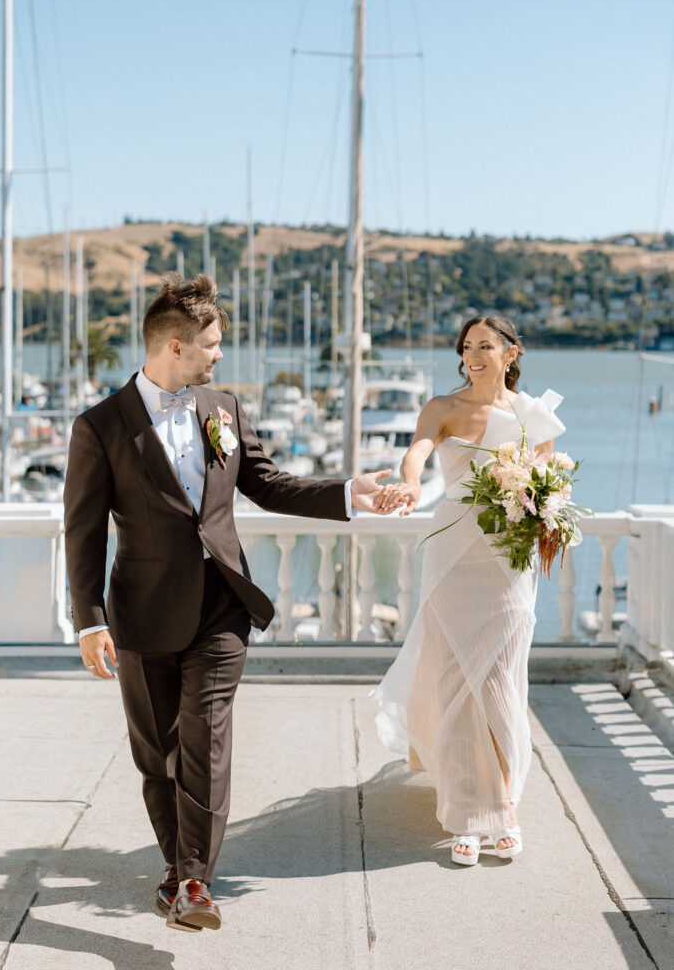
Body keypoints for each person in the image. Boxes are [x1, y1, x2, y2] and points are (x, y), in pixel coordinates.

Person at [64, 272, 400, 932]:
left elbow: (268, 485)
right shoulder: (99, 426)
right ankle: (176, 870)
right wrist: (87, 620)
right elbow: (82, 531)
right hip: (142, 612)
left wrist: (347, 493)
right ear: (174, 347)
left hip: (222, 604)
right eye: (212, 344)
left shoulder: (222, 408)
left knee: (207, 742)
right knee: (157, 756)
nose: (220, 355)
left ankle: (193, 880)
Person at [372, 316, 566, 865]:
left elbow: (545, 484)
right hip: (453, 553)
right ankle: (465, 814)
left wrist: (547, 512)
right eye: (466, 346)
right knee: (458, 680)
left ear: (511, 352)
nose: (473, 354)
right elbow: (417, 451)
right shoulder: (442, 407)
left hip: (509, 559)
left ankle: (503, 805)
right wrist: (409, 483)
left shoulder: (534, 415)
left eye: (485, 345)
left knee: (501, 679)